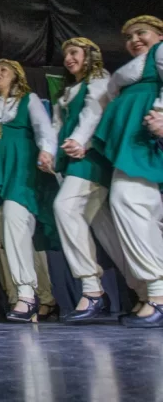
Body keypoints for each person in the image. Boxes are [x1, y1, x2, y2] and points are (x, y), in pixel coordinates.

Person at [52, 38, 144, 323]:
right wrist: (50, 155)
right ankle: (146, 292)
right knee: (107, 231)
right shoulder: (68, 91)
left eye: (74, 53)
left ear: (90, 56)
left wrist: (82, 142)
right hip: (75, 160)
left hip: (92, 158)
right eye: (66, 54)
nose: (69, 58)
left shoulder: (99, 81)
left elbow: (95, 115)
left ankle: (92, 290)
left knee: (65, 207)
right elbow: (58, 127)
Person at [94, 16, 163, 327]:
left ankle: (158, 295)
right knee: (142, 210)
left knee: (127, 199)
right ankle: (153, 293)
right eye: (129, 36)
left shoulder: (160, 53)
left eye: (141, 33)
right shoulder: (131, 73)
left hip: (147, 139)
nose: (135, 39)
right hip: (138, 142)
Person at [0, 59, 59, 323]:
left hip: (22, 171)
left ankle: (27, 294)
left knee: (15, 225)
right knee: (8, 236)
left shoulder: (29, 100)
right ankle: (38, 297)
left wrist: (47, 152)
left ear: (17, 75)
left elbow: (44, 129)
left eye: (3, 70)